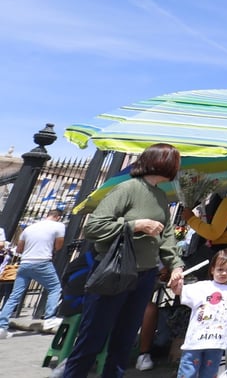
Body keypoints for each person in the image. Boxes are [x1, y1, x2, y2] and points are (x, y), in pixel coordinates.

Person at [60, 143, 185, 378]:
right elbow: (94, 227)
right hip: (114, 270)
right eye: (175, 160)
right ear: (162, 162)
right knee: (93, 336)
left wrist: (176, 265)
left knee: (125, 339)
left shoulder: (160, 196)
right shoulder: (126, 189)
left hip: (145, 274)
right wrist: (135, 225)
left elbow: (166, 235)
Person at [177, 248, 227, 378]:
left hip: (217, 343)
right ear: (212, 269)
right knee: (187, 373)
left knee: (210, 374)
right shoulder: (202, 286)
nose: (223, 273)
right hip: (195, 342)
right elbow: (180, 291)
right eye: (220, 269)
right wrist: (177, 282)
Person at [0, 208, 65, 338]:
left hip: (25, 263)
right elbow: (58, 246)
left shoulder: (29, 228)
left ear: (47, 215)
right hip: (42, 261)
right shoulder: (59, 226)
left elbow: (19, 249)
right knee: (55, 288)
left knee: (15, 295)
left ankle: (1, 327)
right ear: (58, 217)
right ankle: (50, 318)